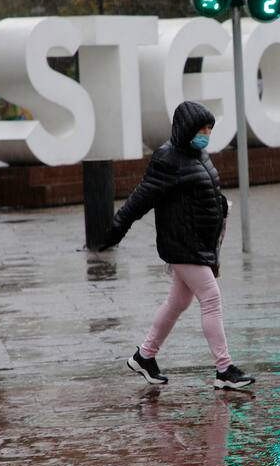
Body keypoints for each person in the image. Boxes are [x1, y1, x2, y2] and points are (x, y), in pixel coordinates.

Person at [100, 100, 255, 390]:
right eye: (202, 128)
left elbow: (205, 190)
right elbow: (141, 198)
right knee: (211, 298)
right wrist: (116, 228)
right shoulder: (167, 159)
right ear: (187, 129)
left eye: (209, 128)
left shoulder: (197, 154)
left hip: (198, 242)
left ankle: (145, 355)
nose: (207, 133)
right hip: (182, 243)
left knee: (178, 301)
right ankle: (224, 369)